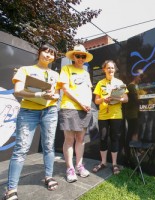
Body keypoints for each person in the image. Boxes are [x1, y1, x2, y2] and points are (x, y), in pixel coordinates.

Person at [3, 43, 60, 200]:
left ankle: (48, 176)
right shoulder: (25, 70)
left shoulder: (55, 75)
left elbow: (56, 94)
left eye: (52, 54)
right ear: (39, 52)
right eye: (46, 52)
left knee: (48, 146)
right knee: (21, 149)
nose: (48, 56)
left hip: (50, 111)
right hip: (28, 112)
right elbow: (18, 90)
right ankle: (11, 188)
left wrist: (54, 96)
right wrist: (39, 95)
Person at [58, 44, 93, 183]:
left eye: (83, 56)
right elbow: (65, 89)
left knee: (81, 139)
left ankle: (79, 165)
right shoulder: (66, 68)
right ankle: (70, 168)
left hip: (85, 109)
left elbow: (89, 89)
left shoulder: (86, 72)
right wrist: (81, 103)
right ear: (73, 56)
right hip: (70, 107)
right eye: (78, 55)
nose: (80, 58)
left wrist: (88, 104)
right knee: (69, 139)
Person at [92, 60, 128, 175]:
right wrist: (104, 99)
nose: (110, 70)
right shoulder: (100, 83)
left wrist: (116, 98)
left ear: (115, 69)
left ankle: (114, 164)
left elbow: (126, 99)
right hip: (103, 115)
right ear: (104, 69)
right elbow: (96, 100)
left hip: (116, 115)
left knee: (114, 139)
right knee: (103, 138)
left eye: (112, 68)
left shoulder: (120, 82)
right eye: (108, 68)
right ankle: (103, 163)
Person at [123, 72, 143, 162]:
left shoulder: (133, 86)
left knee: (134, 132)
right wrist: (145, 101)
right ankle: (128, 153)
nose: (140, 79)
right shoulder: (131, 86)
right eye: (139, 77)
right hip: (131, 114)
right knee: (131, 133)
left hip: (134, 113)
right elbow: (136, 100)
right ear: (135, 77)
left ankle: (134, 150)